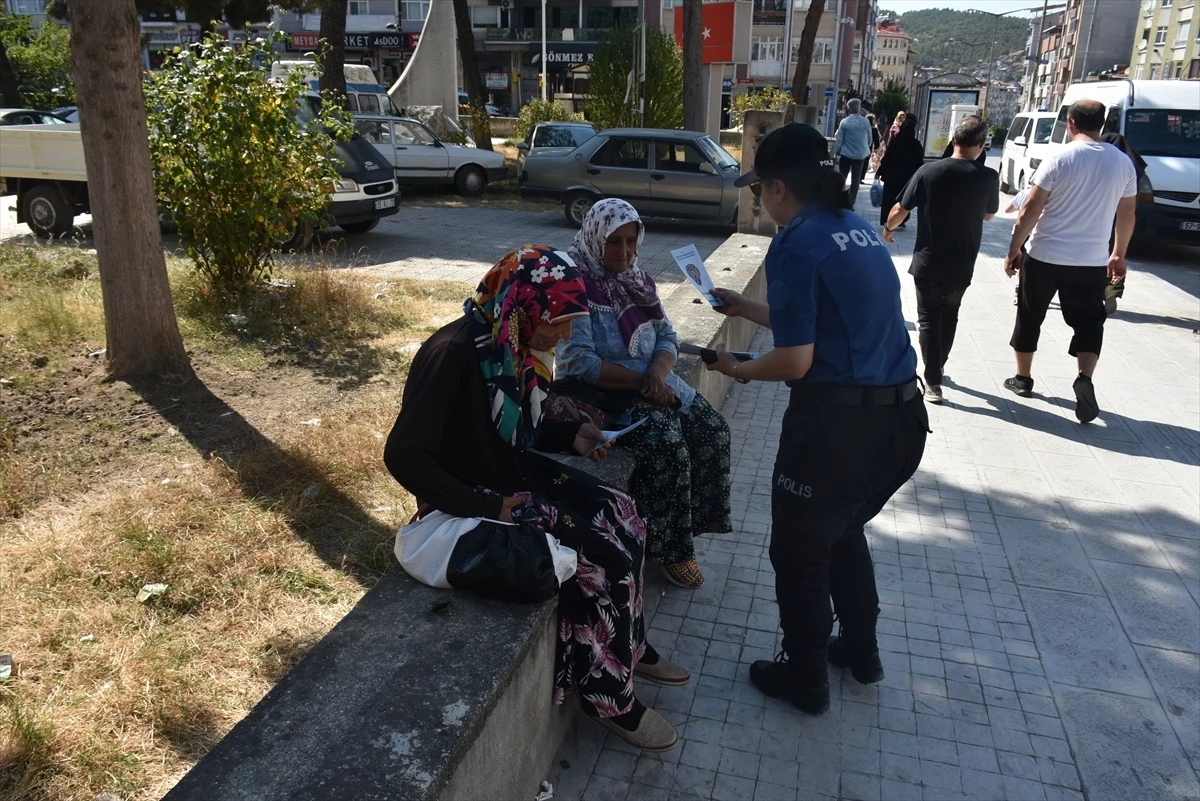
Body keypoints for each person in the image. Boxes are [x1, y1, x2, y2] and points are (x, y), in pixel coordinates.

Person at [383, 245, 688, 752]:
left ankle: (628, 645)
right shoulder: (452, 354)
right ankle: (606, 695)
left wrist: (574, 436)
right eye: (560, 321)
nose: (565, 334)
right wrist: (483, 506)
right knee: (600, 558)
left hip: (511, 476)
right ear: (523, 306)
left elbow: (517, 427)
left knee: (625, 514)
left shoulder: (509, 346)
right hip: (482, 499)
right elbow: (404, 456)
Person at [703, 123, 929, 716]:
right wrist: (745, 305)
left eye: (757, 190)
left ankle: (805, 678)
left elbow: (797, 360)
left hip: (838, 434)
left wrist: (737, 368)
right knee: (843, 532)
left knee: (801, 554)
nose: (755, 200)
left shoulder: (796, 241)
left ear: (778, 188)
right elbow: (821, 323)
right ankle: (860, 651)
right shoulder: (854, 228)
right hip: (902, 423)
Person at [555, 199, 732, 589]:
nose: (624, 252)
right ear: (594, 239)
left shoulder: (639, 279)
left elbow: (667, 335)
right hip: (609, 396)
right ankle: (672, 551)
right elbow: (579, 364)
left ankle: (684, 529)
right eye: (613, 242)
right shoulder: (577, 285)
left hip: (655, 383)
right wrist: (642, 384)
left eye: (631, 241)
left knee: (714, 431)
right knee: (670, 446)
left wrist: (655, 373)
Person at [1003, 99, 1136, 423]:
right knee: (1090, 321)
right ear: (1101, 124)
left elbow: (1030, 209)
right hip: (1091, 261)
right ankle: (1084, 378)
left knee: (1030, 315)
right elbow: (1128, 213)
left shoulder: (1058, 157)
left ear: (1071, 122)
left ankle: (1023, 379)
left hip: (1045, 255)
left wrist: (1014, 249)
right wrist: (1118, 253)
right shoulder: (1122, 163)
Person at [884, 116, 999, 404]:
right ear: (983, 145)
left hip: (928, 260)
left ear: (953, 140)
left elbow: (901, 208)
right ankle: (939, 365)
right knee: (950, 314)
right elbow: (989, 214)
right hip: (963, 262)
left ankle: (933, 381)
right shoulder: (987, 177)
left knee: (927, 319)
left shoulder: (929, 171)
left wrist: (888, 229)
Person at [1099, 132, 1146, 315]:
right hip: (1120, 225)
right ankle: (1112, 290)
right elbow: (1132, 206)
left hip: (1099, 223)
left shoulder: (1102, 165)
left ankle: (1094, 291)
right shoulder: (1130, 168)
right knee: (1116, 258)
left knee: (1096, 259)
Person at [875, 116, 924, 229]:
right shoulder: (915, 144)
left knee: (889, 199)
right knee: (903, 199)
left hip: (892, 176)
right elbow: (919, 161)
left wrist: (879, 171)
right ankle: (900, 220)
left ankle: (887, 219)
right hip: (907, 178)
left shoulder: (895, 142)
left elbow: (887, 158)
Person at [833, 98, 874, 206]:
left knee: (842, 178)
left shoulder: (845, 122)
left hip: (846, 154)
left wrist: (837, 153)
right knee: (856, 180)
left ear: (848, 108)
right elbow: (869, 139)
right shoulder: (865, 121)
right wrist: (865, 147)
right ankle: (851, 203)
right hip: (860, 155)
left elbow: (840, 140)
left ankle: (839, 200)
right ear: (859, 108)